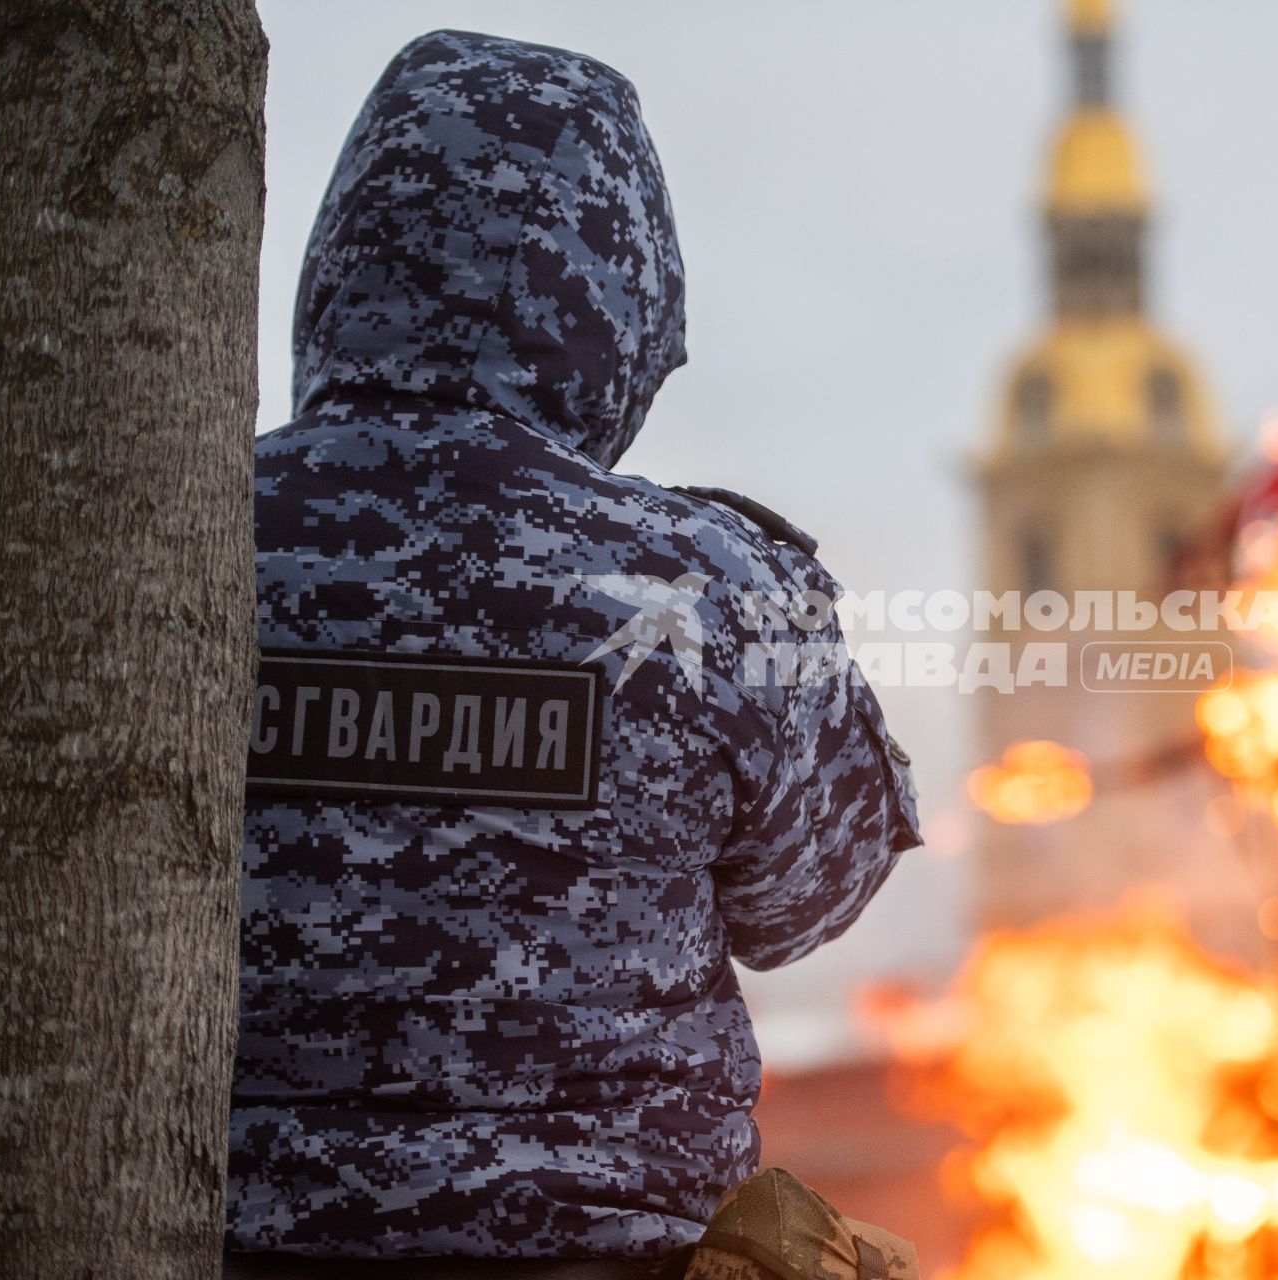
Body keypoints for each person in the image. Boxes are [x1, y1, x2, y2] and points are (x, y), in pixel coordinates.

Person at [226, 29, 922, 1279]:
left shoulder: (171, 535)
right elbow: (812, 896)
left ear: (343, 264)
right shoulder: (704, 589)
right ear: (627, 305)